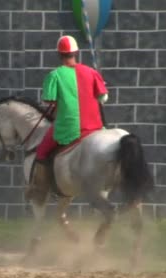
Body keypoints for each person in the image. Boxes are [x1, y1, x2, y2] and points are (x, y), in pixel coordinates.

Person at [26, 35, 109, 203]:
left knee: (41, 151)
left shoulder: (55, 75)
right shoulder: (92, 72)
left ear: (59, 54)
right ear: (76, 52)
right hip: (95, 127)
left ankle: (39, 189)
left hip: (68, 128)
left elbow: (48, 101)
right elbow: (104, 98)